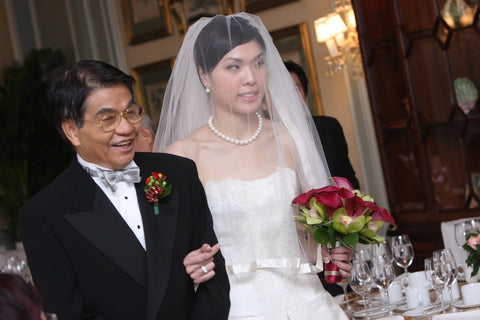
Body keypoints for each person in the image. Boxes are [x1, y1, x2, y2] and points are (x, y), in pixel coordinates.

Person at [154, 13, 351, 319]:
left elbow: (305, 235)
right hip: (235, 307)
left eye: (258, 63)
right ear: (204, 76)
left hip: (308, 302)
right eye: (234, 66)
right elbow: (171, 250)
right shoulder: (182, 155)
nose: (251, 78)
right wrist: (190, 266)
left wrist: (331, 256)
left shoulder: (289, 138)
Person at [19, 60, 230, 320]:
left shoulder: (178, 174)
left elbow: (214, 274)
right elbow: (67, 313)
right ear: (72, 130)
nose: (127, 128)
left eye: (131, 112)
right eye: (107, 119)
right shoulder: (46, 213)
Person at [284, 60, 360, 189]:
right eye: (282, 92)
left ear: (305, 94)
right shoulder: (264, 139)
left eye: (295, 90)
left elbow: (348, 180)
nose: (290, 98)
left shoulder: (329, 127)